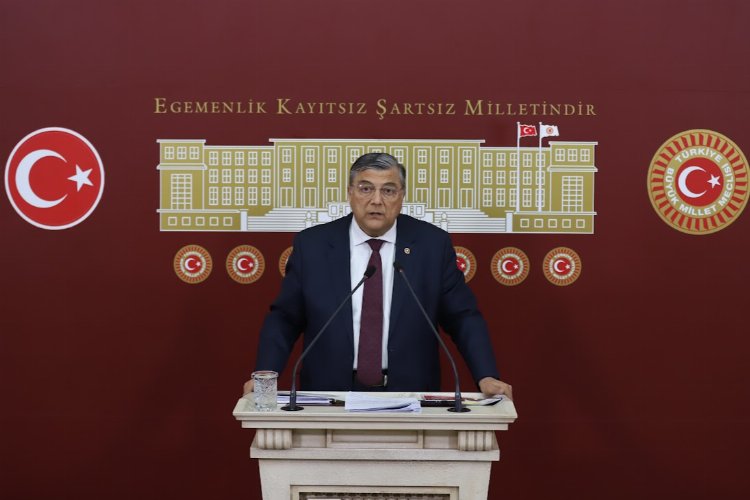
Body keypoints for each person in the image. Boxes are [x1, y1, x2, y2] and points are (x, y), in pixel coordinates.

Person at [243, 152, 512, 398]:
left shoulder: (431, 245)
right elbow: (285, 318)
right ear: (350, 193)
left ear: (401, 196)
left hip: (411, 395)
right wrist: (265, 375)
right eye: (365, 188)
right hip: (329, 393)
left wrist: (486, 375)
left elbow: (463, 317)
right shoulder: (312, 245)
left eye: (388, 190)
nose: (376, 200)